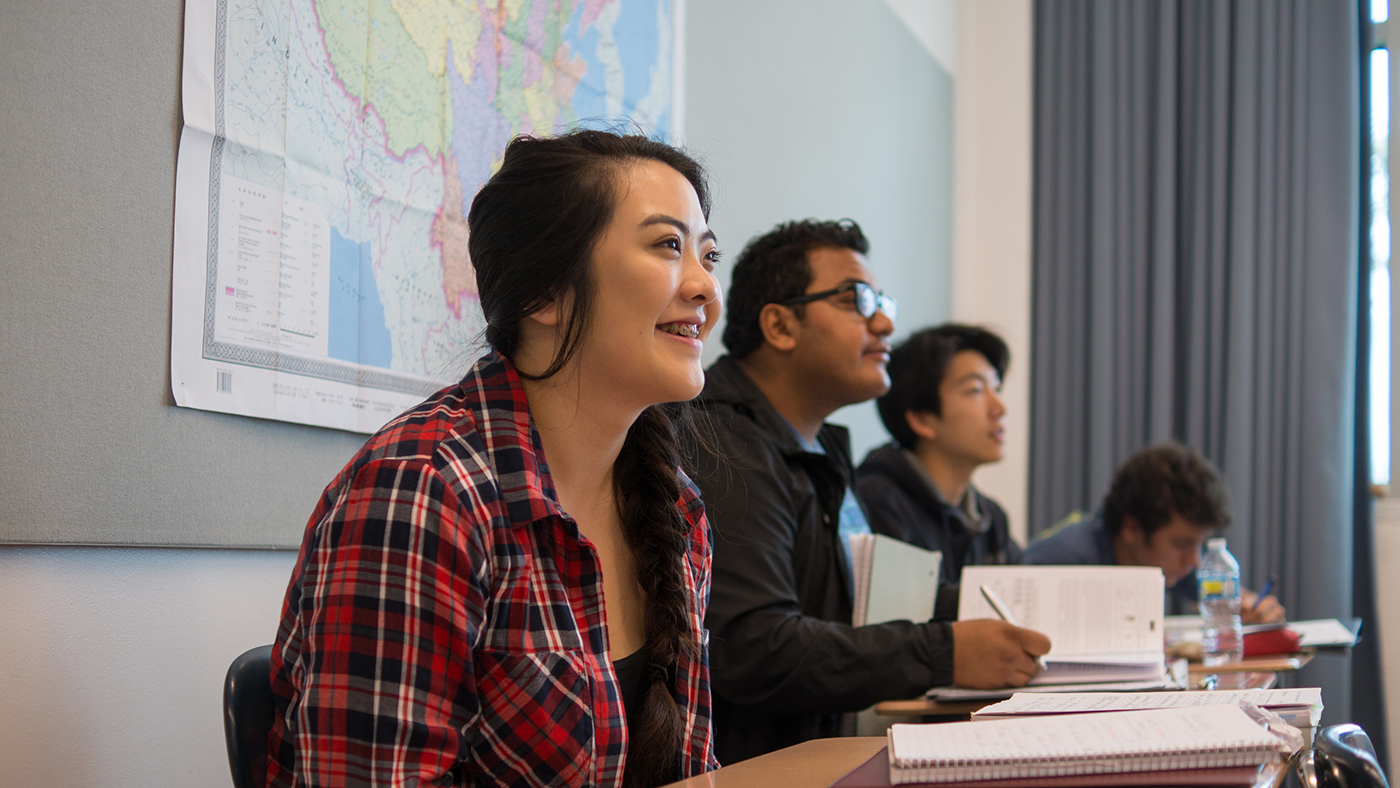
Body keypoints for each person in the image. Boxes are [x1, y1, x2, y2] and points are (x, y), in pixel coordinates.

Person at [266, 130, 724, 788]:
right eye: (668, 246)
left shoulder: (677, 509)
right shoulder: (424, 491)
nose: (706, 286)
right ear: (543, 293)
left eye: (708, 254)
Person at [686, 219, 1051, 765]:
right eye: (857, 300)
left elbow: (876, 599)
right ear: (781, 326)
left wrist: (1039, 606)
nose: (883, 322)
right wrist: (946, 652)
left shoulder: (820, 451)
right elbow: (754, 648)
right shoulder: (725, 444)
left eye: (882, 301)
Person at [1023, 441, 1285, 624]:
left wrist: (1250, 608)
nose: (1194, 561)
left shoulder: (1157, 560)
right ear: (1132, 528)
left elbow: (1220, 597)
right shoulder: (1055, 564)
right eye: (1181, 544)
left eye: (1199, 545)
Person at [856, 324, 1021, 584]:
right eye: (975, 391)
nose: (999, 408)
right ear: (922, 420)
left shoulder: (989, 517)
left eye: (996, 389)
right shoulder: (879, 504)